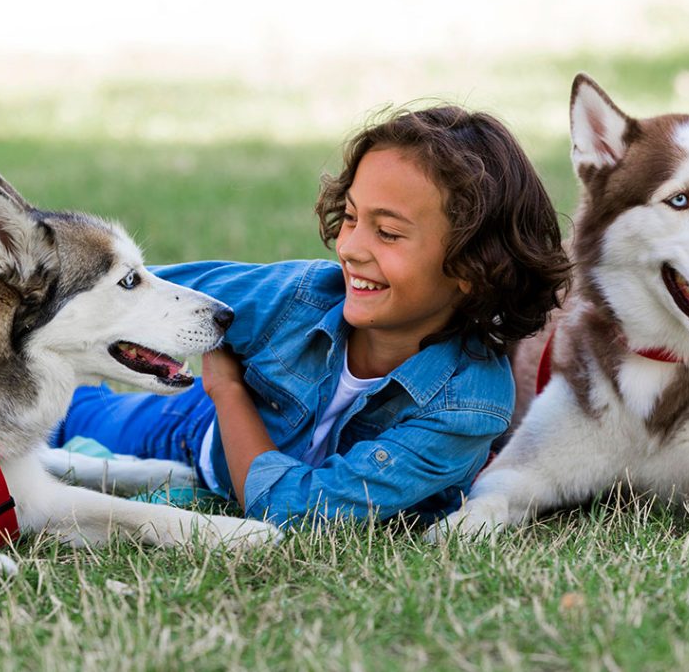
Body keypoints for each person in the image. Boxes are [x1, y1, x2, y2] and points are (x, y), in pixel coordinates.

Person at [50, 104, 570, 527]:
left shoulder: (467, 405)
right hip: (187, 430)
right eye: (350, 217)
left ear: (472, 268)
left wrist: (228, 393)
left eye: (387, 233)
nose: (351, 248)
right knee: (66, 417)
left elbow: (300, 512)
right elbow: (128, 288)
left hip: (215, 426)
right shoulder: (299, 297)